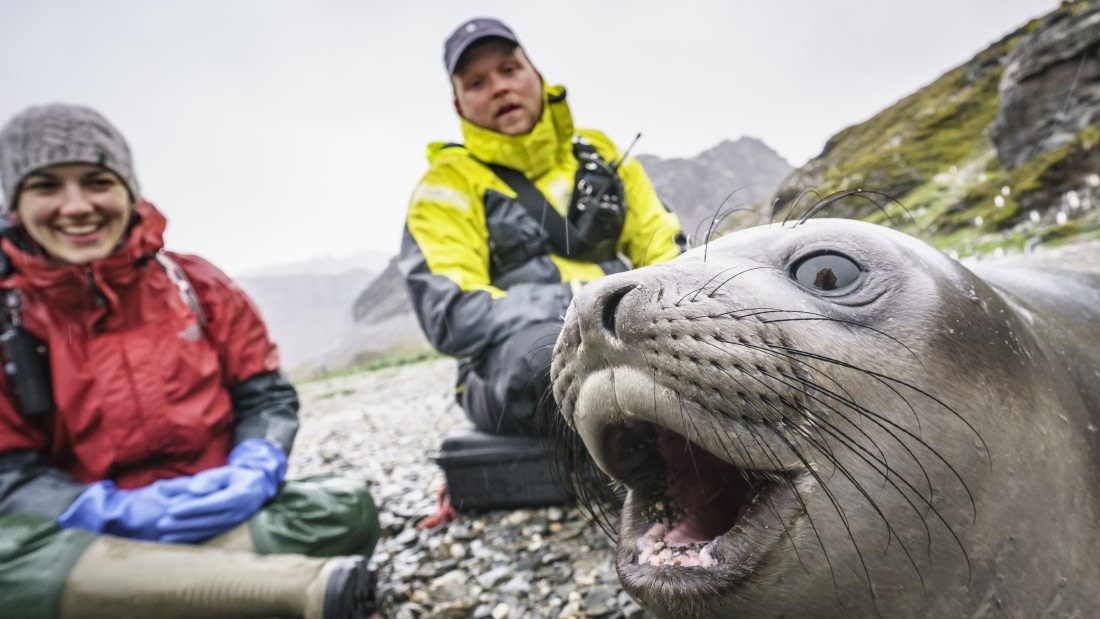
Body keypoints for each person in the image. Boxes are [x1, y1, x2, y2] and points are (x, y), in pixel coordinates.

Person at [0, 103, 380, 618]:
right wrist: (106, 512)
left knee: (343, 507)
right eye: (46, 187)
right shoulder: (9, 316)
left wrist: (256, 467)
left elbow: (264, 396)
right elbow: (9, 475)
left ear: (128, 191)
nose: (76, 206)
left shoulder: (196, 284)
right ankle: (288, 590)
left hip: (219, 516)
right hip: (81, 538)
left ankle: (137, 595)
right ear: (15, 205)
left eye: (96, 182)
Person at [400, 17, 686, 438]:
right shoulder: (444, 186)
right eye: (477, 82)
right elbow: (452, 313)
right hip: (508, 359)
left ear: (536, 75)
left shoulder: (600, 152)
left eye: (509, 70)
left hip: (621, 321)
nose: (499, 87)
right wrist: (586, 305)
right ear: (460, 106)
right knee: (552, 364)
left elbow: (661, 241)